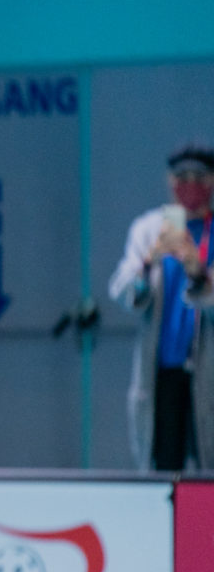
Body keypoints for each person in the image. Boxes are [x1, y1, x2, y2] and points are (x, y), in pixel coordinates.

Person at [109, 146, 214, 471]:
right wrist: (146, 262)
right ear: (169, 182)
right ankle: (171, 523)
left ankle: (201, 525)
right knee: (166, 468)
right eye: (182, 178)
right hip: (164, 370)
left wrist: (200, 275)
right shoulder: (148, 229)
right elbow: (122, 288)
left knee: (207, 467)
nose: (189, 185)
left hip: (208, 372)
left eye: (198, 178)